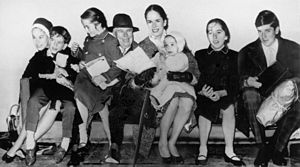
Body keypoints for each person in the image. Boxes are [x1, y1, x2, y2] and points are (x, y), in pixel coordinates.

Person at [135, 4, 200, 164]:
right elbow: (135, 79)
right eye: (150, 22)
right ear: (146, 23)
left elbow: (193, 70)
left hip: (180, 84)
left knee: (187, 101)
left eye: (158, 20)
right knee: (174, 99)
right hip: (154, 91)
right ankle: (163, 142)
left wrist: (185, 75)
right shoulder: (142, 46)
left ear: (165, 21)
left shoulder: (175, 40)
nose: (154, 25)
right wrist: (148, 79)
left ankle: (172, 142)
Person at [238, 10, 300, 167]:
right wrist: (247, 81)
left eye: (267, 30)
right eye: (259, 31)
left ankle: (277, 148)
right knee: (249, 94)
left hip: (286, 98)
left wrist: (291, 84)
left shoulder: (293, 49)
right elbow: (237, 80)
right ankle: (263, 147)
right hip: (259, 96)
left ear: (277, 30)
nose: (263, 36)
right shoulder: (246, 51)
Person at [2, 18, 61, 164]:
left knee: (51, 104)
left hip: (58, 96)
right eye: (34, 37)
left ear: (49, 37)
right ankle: (23, 146)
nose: (37, 41)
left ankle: (18, 147)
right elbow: (25, 80)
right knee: (36, 106)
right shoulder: (36, 57)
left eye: (41, 37)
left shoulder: (59, 51)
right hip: (40, 98)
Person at [69, 7, 123, 165]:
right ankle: (83, 140)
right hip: (86, 78)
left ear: (98, 24)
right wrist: (77, 53)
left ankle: (84, 142)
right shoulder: (89, 38)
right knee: (79, 93)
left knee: (84, 98)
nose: (85, 30)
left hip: (101, 83)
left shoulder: (111, 40)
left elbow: (118, 66)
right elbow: (86, 56)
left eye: (87, 26)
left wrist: (104, 76)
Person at [23, 26, 78, 166]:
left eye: (58, 42)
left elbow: (75, 74)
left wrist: (68, 72)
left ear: (64, 45)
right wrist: (49, 75)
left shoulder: (67, 56)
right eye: (52, 40)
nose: (54, 45)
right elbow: (29, 75)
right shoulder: (40, 55)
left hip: (62, 91)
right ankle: (30, 144)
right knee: (33, 100)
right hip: (45, 87)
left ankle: (65, 144)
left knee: (70, 107)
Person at [194, 18, 245, 166]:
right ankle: (202, 148)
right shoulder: (200, 54)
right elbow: (196, 78)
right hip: (205, 95)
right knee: (204, 106)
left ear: (226, 36)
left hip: (225, 93)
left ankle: (229, 150)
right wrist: (203, 91)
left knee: (228, 107)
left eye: (218, 32)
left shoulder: (235, 56)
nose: (214, 37)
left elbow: (235, 82)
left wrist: (222, 93)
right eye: (210, 33)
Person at [103, 13, 140, 164]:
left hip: (132, 96)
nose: (125, 36)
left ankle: (115, 147)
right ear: (114, 34)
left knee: (117, 109)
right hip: (109, 93)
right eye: (121, 32)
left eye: (129, 31)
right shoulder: (108, 49)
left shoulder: (139, 50)